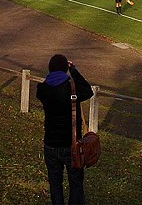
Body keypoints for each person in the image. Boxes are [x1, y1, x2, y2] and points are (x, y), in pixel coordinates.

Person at [37, 54, 94, 205]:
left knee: (55, 185)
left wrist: (54, 73)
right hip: (71, 144)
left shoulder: (42, 89)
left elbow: (47, 83)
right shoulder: (71, 88)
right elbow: (88, 91)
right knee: (75, 184)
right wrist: (73, 70)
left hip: (50, 143)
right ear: (65, 69)